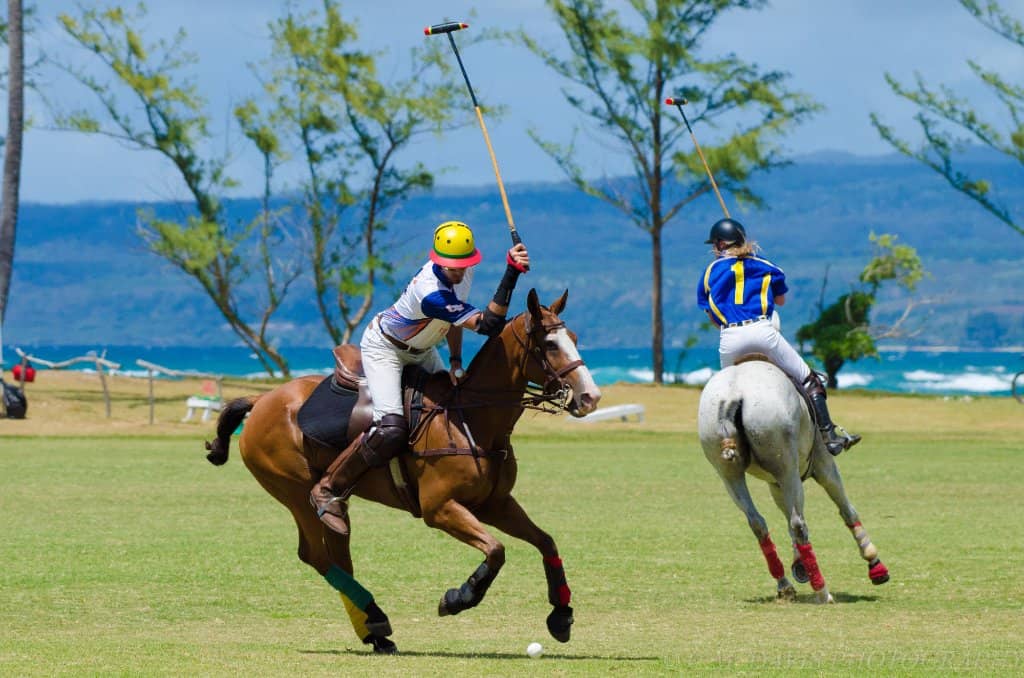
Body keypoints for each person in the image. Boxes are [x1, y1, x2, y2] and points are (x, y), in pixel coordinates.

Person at [310, 220, 530, 534]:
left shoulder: (463, 273)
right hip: (386, 348)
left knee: (457, 405)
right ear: (437, 259)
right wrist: (511, 274)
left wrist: (455, 360)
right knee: (390, 428)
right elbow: (487, 325)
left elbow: (454, 321)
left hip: (423, 348)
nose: (458, 272)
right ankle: (329, 488)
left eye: (463, 266)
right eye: (452, 267)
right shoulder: (430, 292)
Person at [696, 217, 860, 456]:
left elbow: (711, 315)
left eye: (715, 244)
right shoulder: (765, 264)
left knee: (725, 391)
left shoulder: (710, 271)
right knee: (809, 379)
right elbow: (780, 300)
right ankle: (829, 436)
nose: (714, 249)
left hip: (730, 337)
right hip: (763, 332)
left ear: (721, 245)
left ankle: (728, 442)